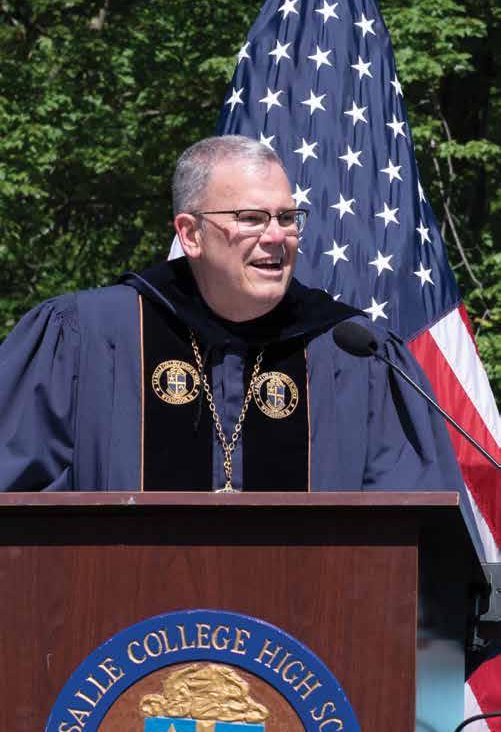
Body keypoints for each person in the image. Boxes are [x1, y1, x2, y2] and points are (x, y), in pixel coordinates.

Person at [0, 134, 464, 493]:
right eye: (251, 219)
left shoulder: (354, 355)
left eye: (287, 218)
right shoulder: (88, 338)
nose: (276, 237)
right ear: (191, 234)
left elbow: (414, 536)